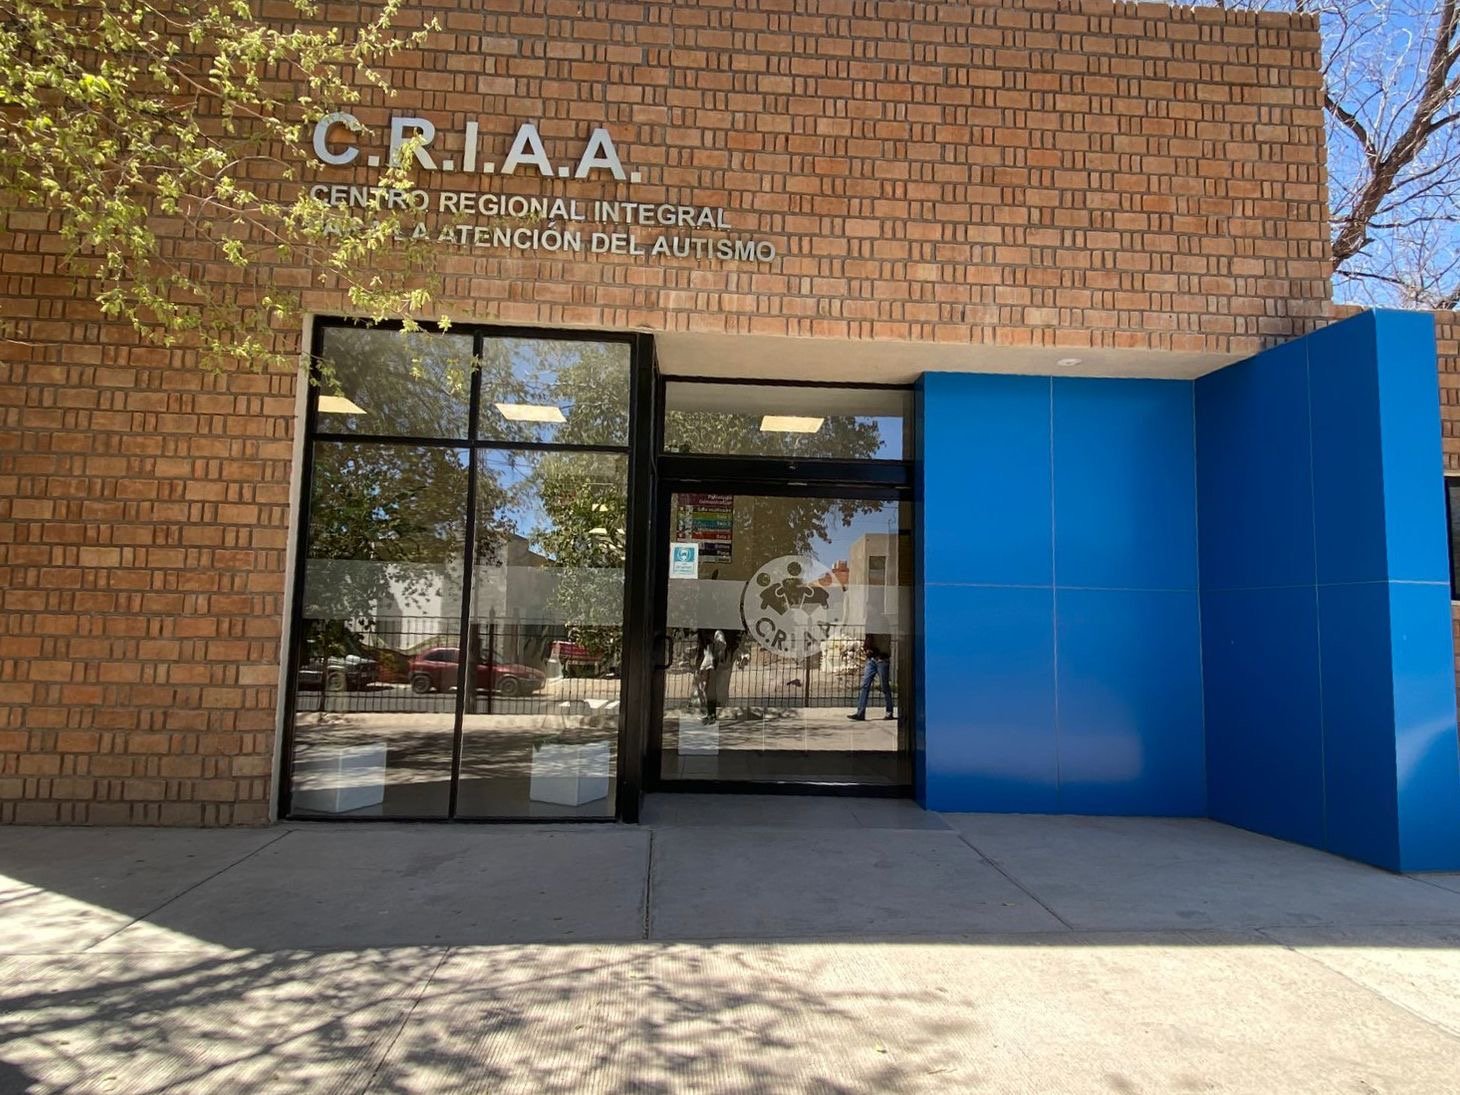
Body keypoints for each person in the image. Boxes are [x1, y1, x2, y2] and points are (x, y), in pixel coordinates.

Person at [848, 632, 894, 721]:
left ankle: (889, 711)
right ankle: (860, 713)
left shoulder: (883, 629)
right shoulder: (871, 629)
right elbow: (868, 639)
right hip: (871, 659)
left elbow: (885, 643)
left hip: (881, 659)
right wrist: (867, 649)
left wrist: (878, 652)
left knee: (884, 686)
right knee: (865, 685)